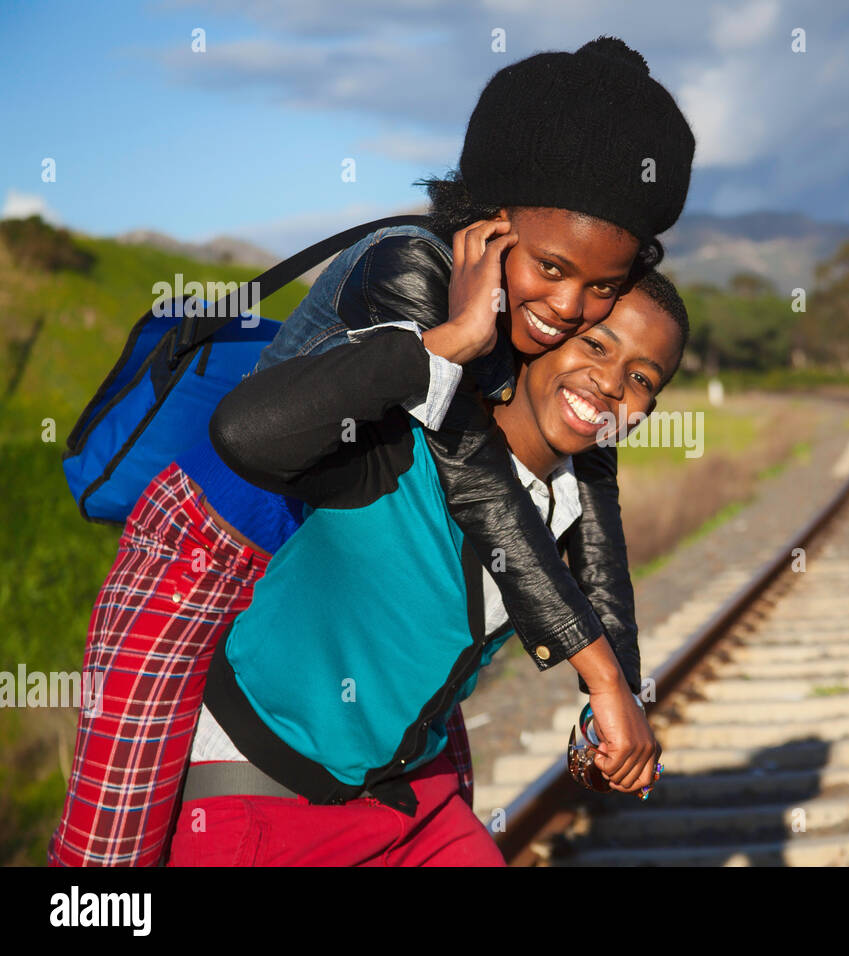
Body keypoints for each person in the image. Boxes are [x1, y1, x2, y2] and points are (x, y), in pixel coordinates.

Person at [49, 34, 694, 866]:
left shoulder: (535, 326)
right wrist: (602, 679)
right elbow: (480, 488)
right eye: (553, 268)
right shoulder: (414, 273)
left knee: (423, 757)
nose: (570, 307)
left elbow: (595, 525)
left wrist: (618, 693)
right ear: (493, 221)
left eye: (601, 287)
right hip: (209, 545)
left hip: (322, 569)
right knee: (109, 856)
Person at [167, 269, 689, 866]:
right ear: (542, 334)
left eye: (643, 378)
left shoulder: (567, 501)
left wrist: (607, 733)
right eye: (596, 345)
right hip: (265, 796)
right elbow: (246, 434)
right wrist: (440, 345)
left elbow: (603, 589)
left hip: (413, 803)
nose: (611, 383)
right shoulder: (399, 445)